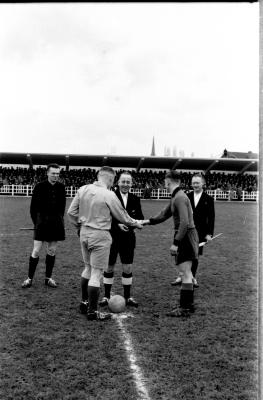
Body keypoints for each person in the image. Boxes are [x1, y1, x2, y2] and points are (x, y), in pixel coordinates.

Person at [67, 166, 143, 322]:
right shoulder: (109, 194)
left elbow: (71, 213)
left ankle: (84, 302)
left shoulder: (83, 189)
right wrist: (136, 223)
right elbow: (123, 217)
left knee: (87, 268)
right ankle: (93, 311)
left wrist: (79, 226)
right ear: (111, 179)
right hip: (100, 236)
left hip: (84, 234)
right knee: (96, 273)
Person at [142, 170, 199, 317]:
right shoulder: (176, 196)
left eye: (165, 182)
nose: (164, 185)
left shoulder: (179, 197)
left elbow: (185, 222)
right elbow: (164, 214)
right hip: (185, 235)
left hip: (185, 236)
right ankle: (188, 305)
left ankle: (185, 308)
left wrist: (175, 242)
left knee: (185, 272)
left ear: (168, 182)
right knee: (186, 272)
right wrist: (148, 221)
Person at [99, 171, 144, 308]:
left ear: (131, 184)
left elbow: (140, 217)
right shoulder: (110, 196)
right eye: (123, 181)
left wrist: (135, 224)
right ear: (118, 182)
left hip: (128, 238)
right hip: (112, 237)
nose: (125, 184)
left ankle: (128, 296)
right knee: (109, 266)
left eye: (128, 182)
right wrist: (117, 224)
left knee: (128, 267)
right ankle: (106, 296)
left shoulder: (135, 199)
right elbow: (104, 216)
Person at [21, 164, 66, 288]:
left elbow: (62, 208)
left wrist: (59, 221)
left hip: (56, 223)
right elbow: (32, 208)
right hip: (41, 223)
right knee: (36, 251)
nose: (56, 176)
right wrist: (37, 222)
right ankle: (29, 278)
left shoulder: (62, 187)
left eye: (57, 173)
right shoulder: (39, 186)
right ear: (47, 173)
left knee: (51, 251)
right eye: (53, 173)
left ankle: (48, 278)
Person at [171, 173, 215, 287]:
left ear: (203, 184)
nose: (195, 185)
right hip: (185, 231)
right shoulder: (185, 196)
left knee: (194, 255)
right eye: (193, 183)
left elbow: (211, 218)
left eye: (197, 183)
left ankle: (192, 277)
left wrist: (209, 233)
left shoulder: (208, 199)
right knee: (181, 254)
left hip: (200, 233)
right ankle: (182, 276)